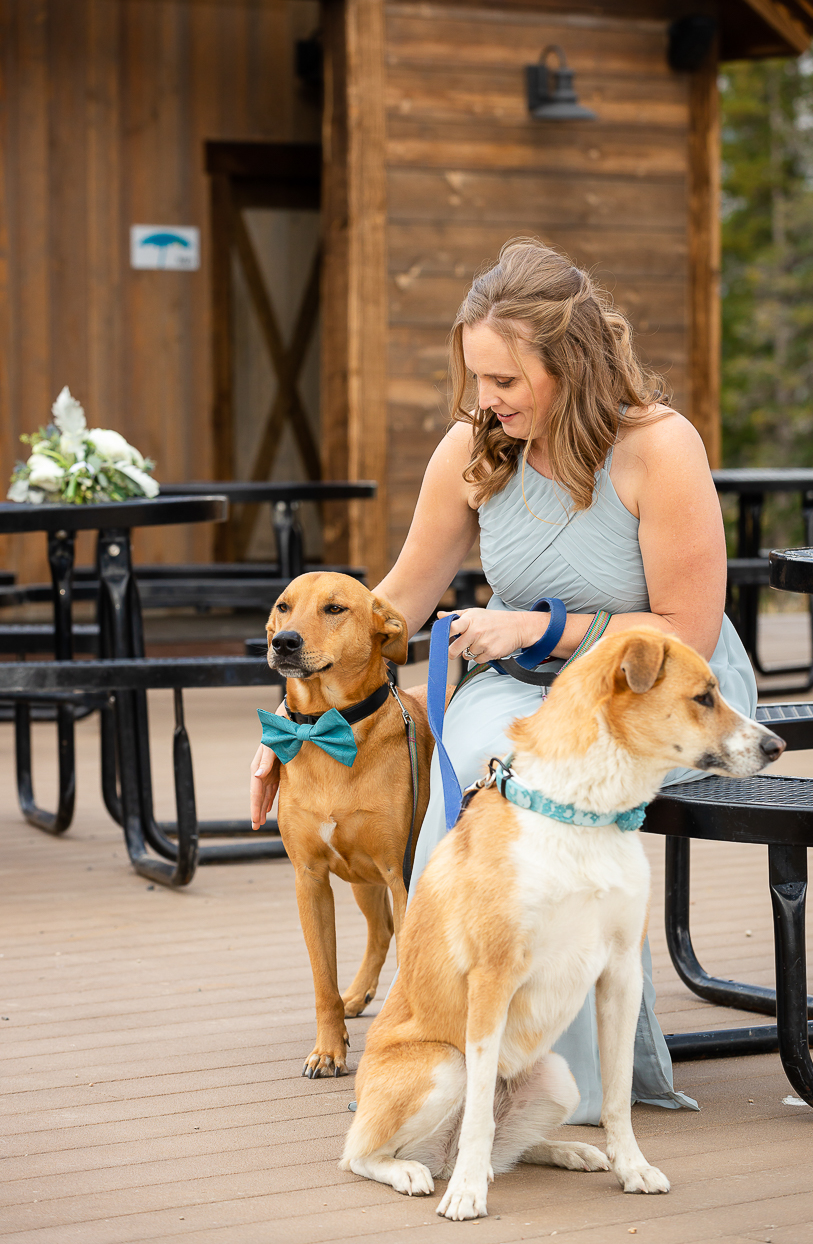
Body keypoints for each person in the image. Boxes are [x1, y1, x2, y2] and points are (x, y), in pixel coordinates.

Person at [250, 237, 757, 1122]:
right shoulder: (472, 450)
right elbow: (390, 606)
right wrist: (294, 716)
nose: (484, 402)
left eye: (506, 383)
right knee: (479, 762)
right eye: (476, 381)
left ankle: (575, 1086)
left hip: (665, 693)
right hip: (523, 689)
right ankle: (470, 1049)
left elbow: (689, 628)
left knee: (539, 781)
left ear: (570, 363)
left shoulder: (656, 446)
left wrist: (537, 625)